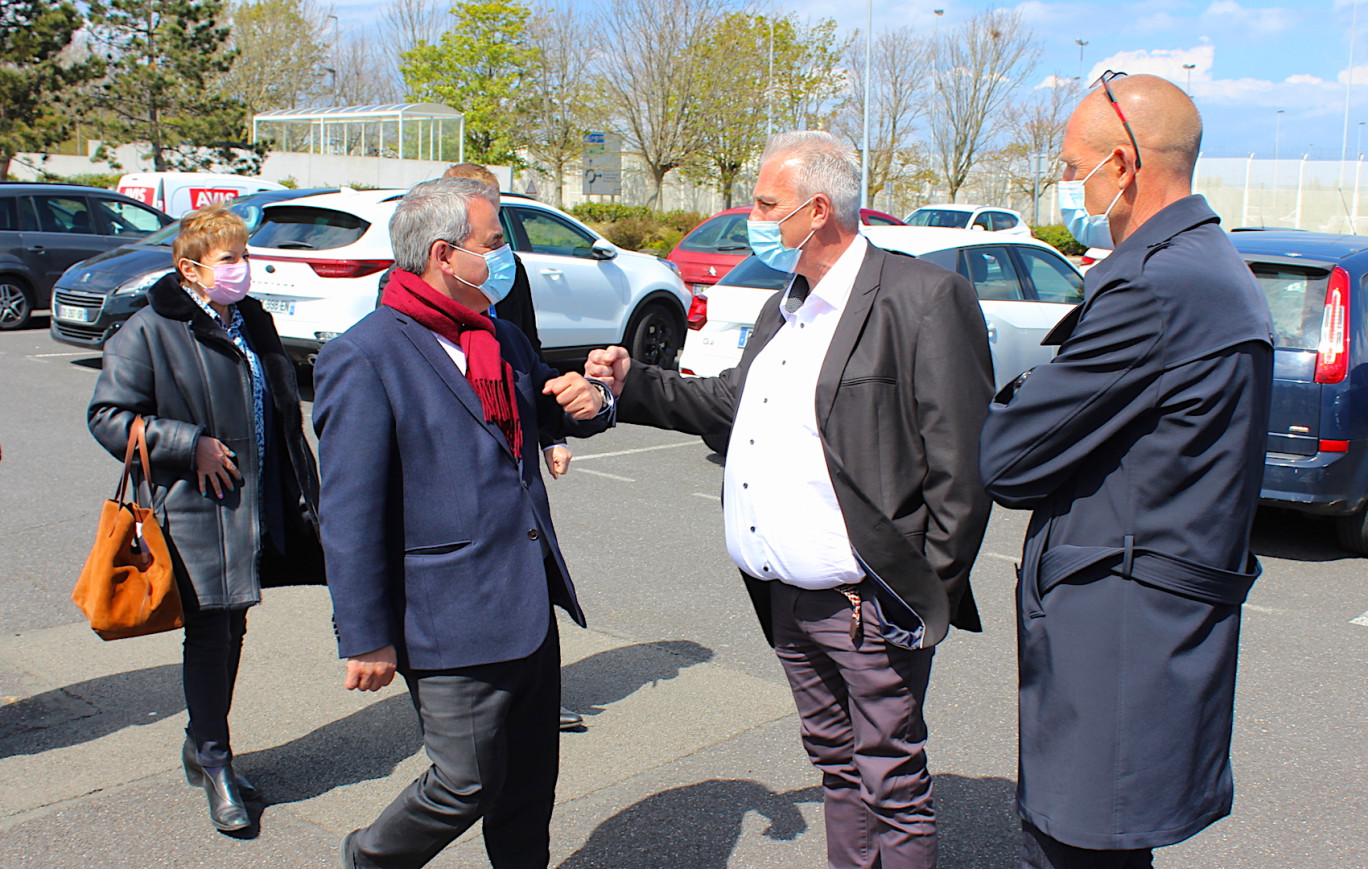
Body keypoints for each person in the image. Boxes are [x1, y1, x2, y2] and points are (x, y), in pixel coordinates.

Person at [586, 131, 993, 868]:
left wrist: (920, 591)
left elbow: (960, 467)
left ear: (817, 208)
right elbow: (732, 404)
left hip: (869, 603)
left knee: (890, 782)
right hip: (787, 598)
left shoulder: (923, 297)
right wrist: (632, 382)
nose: (754, 216)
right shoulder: (788, 303)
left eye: (767, 203)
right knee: (838, 768)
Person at [978, 74, 1274, 869]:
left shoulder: (1154, 286)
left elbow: (1008, 459)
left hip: (1115, 642)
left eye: (1073, 168)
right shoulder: (1209, 267)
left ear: (1123, 163)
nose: (1068, 185)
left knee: (1073, 850)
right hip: (1146, 637)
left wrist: (1018, 393)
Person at [314, 177, 614, 869]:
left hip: (528, 598)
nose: (506, 257)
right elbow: (350, 512)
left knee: (529, 785)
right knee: (464, 782)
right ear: (446, 254)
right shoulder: (365, 356)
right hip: (446, 612)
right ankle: (369, 857)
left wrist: (592, 394)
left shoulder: (498, 335)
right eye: (495, 244)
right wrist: (366, 634)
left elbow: (551, 409)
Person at [88, 203, 326, 832]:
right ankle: (215, 760)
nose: (242, 270)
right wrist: (185, 442)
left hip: (257, 498)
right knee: (211, 632)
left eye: (245, 256)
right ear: (189, 268)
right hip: (197, 507)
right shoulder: (148, 330)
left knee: (235, 624)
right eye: (229, 260)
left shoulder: (251, 318)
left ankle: (202, 744)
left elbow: (278, 404)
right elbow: (109, 416)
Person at [441, 163, 582, 731]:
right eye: (491, 235)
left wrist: (554, 430)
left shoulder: (509, 276)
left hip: (516, 456)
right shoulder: (391, 321)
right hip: (464, 480)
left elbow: (532, 361)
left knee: (524, 572)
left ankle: (533, 701)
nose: (503, 247)